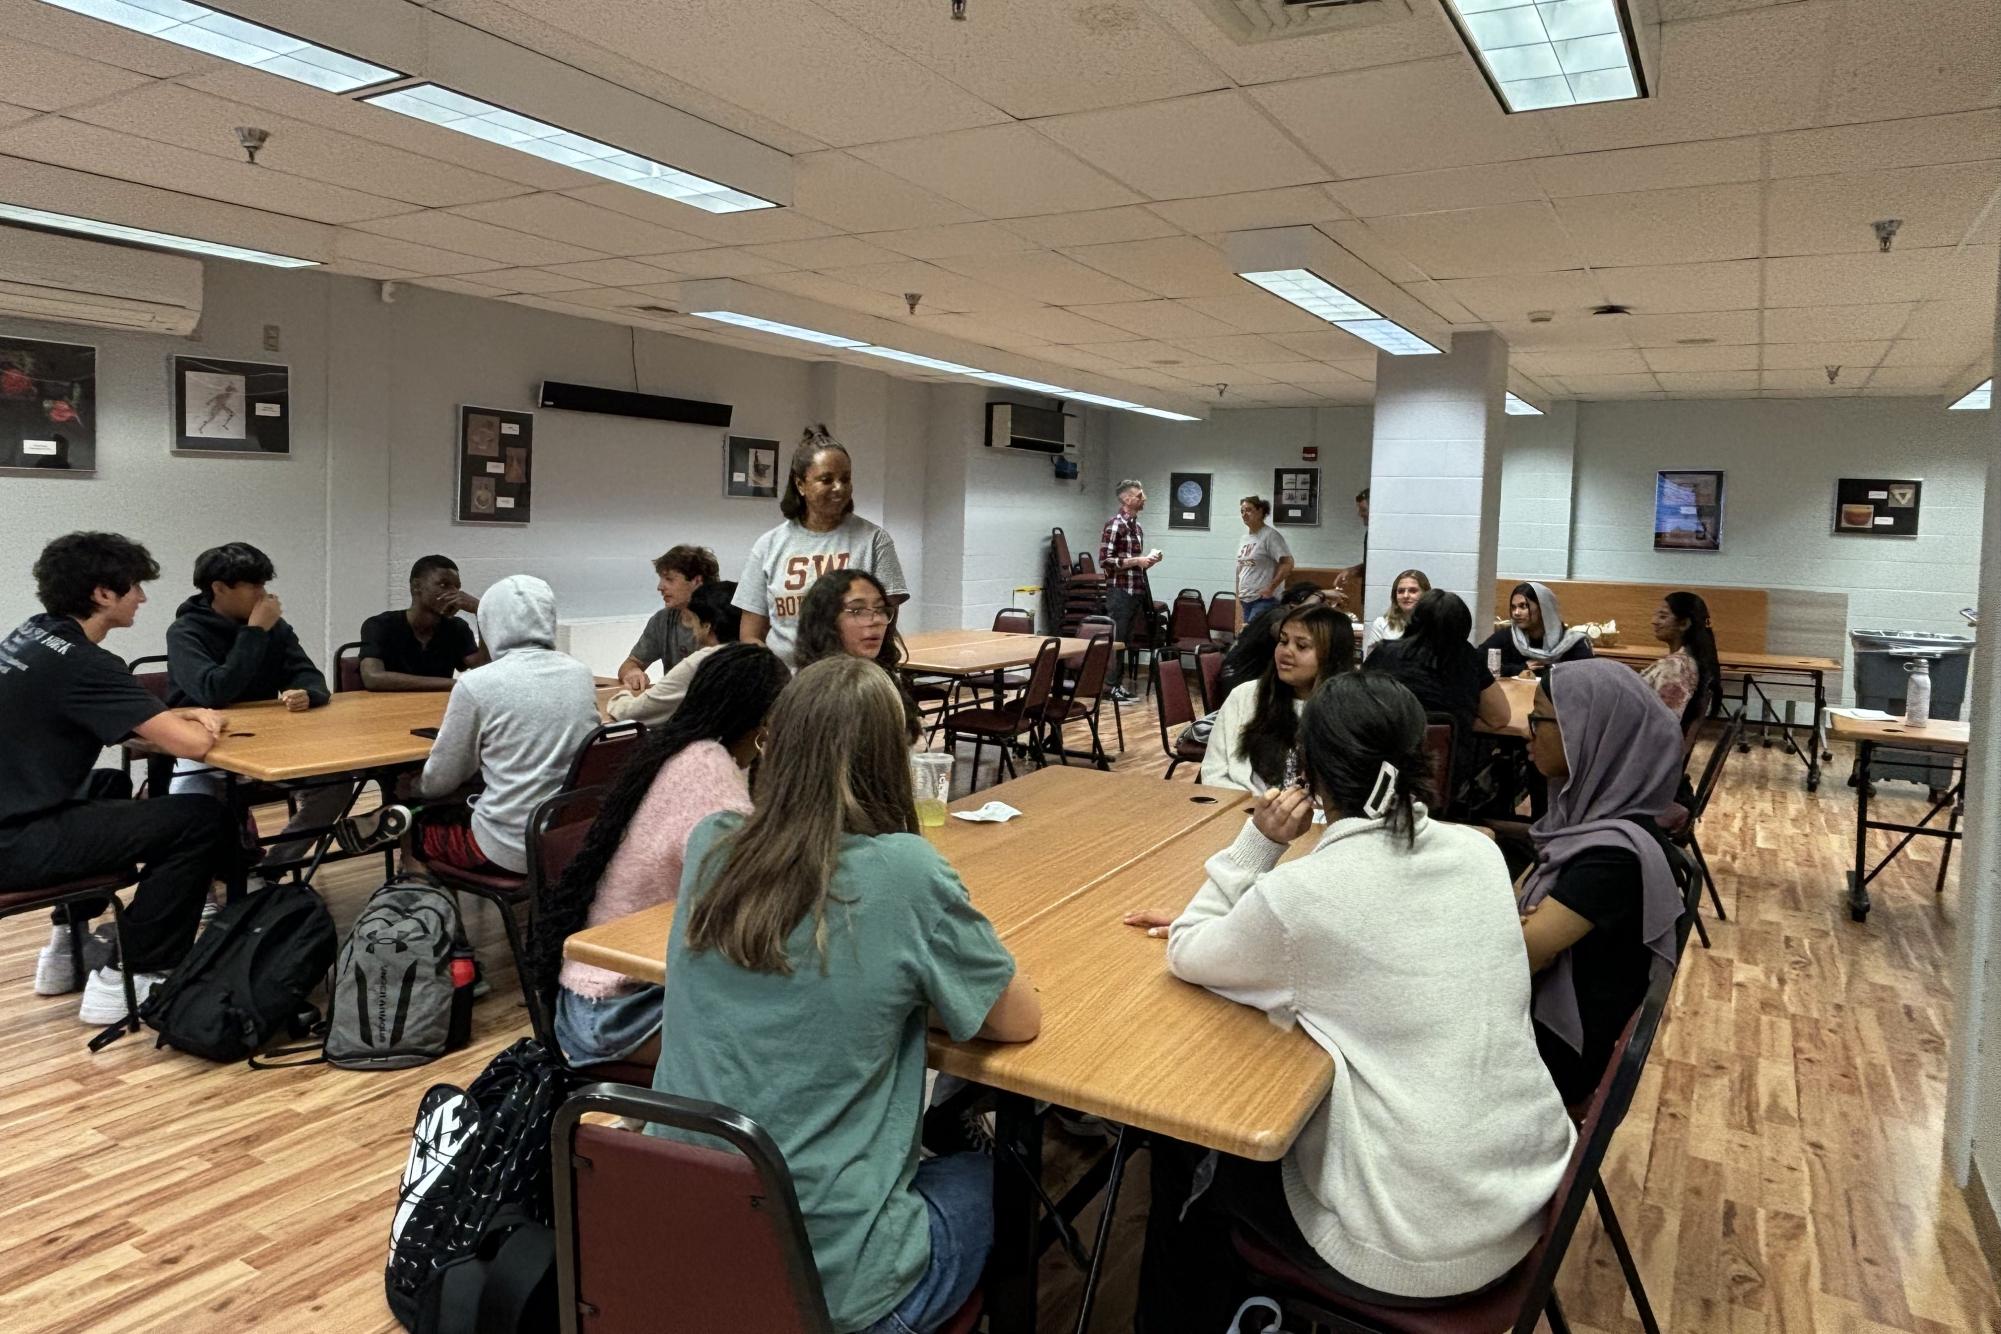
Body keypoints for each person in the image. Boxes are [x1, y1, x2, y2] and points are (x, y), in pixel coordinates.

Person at [1124, 673, 1575, 1326]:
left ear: (1305, 772)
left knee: (1182, 1146)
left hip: (1407, 1244)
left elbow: (1187, 950)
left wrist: (1260, 844)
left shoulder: (1305, 894)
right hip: (1516, 1200)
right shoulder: (1479, 854)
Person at [653, 656, 1041, 1334]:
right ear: (894, 756)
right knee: (1001, 1178)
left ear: (775, 742)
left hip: (681, 1243)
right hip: (828, 1291)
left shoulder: (711, 845)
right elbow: (1018, 1019)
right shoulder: (904, 871)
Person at [0, 532, 235, 1023]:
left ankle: (68, 948)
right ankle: (134, 974)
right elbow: (191, 747)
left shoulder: (33, 634)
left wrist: (171, 713)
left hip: (15, 817)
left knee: (107, 785)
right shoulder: (87, 664)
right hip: (14, 844)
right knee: (201, 817)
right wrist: (202, 722)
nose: (143, 598)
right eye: (134, 588)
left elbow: (91, 708)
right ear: (102, 594)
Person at [539, 643, 789, 1068]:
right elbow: (746, 903)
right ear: (766, 722)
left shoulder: (684, 751)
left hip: (600, 991)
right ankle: (672, 1127)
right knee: (789, 1031)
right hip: (617, 1009)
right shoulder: (711, 779)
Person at [338, 575, 600, 875]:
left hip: (505, 850)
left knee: (417, 821)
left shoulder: (477, 685)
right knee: (484, 778)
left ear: (491, 622)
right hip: (569, 840)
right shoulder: (580, 674)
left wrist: (413, 786)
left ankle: (414, 891)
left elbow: (441, 779)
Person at [1518, 659, 1684, 1105]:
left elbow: (1516, 958)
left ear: (1586, 732)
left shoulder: (1613, 857)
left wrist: (1519, 930)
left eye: (1539, 720)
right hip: (1544, 1029)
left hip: (1550, 1061)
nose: (1526, 732)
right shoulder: (1594, 826)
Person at [165, 541, 347, 879]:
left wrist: (306, 693)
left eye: (264, 585)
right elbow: (214, 690)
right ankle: (197, 889)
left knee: (335, 784)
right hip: (205, 745)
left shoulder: (274, 628)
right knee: (190, 805)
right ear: (219, 588)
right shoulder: (185, 632)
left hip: (268, 742)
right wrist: (254, 632)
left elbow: (310, 675)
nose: (263, 595)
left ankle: (269, 870)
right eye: (254, 586)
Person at [735, 427, 907, 666]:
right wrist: (772, 677)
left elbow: (882, 628)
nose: (839, 488)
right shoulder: (768, 545)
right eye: (826, 480)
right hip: (787, 686)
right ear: (801, 485)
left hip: (853, 681)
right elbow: (751, 634)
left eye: (845, 479)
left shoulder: (874, 540)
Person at [1201, 604, 1352, 793]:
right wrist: (1258, 811)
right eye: (1283, 641)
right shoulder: (1246, 696)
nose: (1286, 651)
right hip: (1245, 813)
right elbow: (1213, 773)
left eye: (1301, 646)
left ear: (1331, 656)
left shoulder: (1351, 712)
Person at [1366, 589, 1512, 745]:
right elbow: (1499, 718)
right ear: (1463, 625)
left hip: (1384, 757)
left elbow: (1361, 703)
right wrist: (1461, 721)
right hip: (1445, 760)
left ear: (1414, 619)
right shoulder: (1468, 657)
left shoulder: (1384, 653)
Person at [792, 569, 921, 742]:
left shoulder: (885, 679)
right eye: (857, 611)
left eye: (880, 609)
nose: (875, 620)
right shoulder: (815, 694)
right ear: (826, 620)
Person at [606, 580, 740, 725]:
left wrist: (621, 697)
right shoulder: (753, 656)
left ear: (707, 626)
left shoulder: (700, 662)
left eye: (694, 621)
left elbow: (632, 712)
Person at [357, 554, 485, 691]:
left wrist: (481, 611)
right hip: (387, 707)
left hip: (435, 706)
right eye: (444, 585)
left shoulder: (457, 627)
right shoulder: (380, 625)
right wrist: (454, 684)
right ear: (416, 586)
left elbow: (483, 667)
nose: (454, 593)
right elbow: (373, 678)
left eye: (457, 587)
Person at [614, 544, 719, 694]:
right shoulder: (662, 620)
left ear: (696, 581)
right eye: (661, 579)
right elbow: (631, 663)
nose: (660, 587)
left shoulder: (726, 620)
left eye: (669, 579)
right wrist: (633, 673)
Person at [1098, 478, 1160, 704]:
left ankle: (1117, 685)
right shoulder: (1115, 525)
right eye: (1139, 495)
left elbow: (1133, 562)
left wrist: (1147, 561)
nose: (1144, 499)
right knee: (1118, 639)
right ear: (1126, 499)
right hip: (1120, 591)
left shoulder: (1137, 527)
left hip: (1136, 590)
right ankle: (1109, 687)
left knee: (1126, 640)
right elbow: (1105, 560)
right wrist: (1137, 561)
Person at [1217, 582, 1326, 698]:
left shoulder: (1276, 612)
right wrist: (1318, 595)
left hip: (1244, 678)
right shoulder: (1278, 615)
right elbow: (1282, 628)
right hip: (1241, 684)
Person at [1479, 581, 1595, 677]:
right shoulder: (1508, 637)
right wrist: (1519, 669)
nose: (1516, 613)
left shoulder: (1573, 643)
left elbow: (1587, 676)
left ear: (1543, 609)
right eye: (1513, 607)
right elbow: (1477, 660)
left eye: (1523, 606)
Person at [1643, 591, 1720, 733]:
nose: (1654, 621)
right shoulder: (1689, 661)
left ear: (1684, 624)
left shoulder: (1675, 668)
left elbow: (1661, 724)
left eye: (1663, 616)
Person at [1234, 495, 1293, 628]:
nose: (1244, 514)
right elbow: (1240, 569)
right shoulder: (1245, 539)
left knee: (1253, 638)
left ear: (1260, 511)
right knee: (1245, 637)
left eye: (1249, 510)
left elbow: (1288, 563)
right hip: (1245, 598)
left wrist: (1271, 587)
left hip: (1263, 599)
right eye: (1242, 511)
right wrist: (1238, 596)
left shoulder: (1270, 536)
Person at [1362, 568, 1430, 656]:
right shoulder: (1381, 624)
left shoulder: (1435, 624)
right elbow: (1370, 663)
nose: (1406, 596)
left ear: (1426, 594)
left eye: (1413, 591)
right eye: (1401, 591)